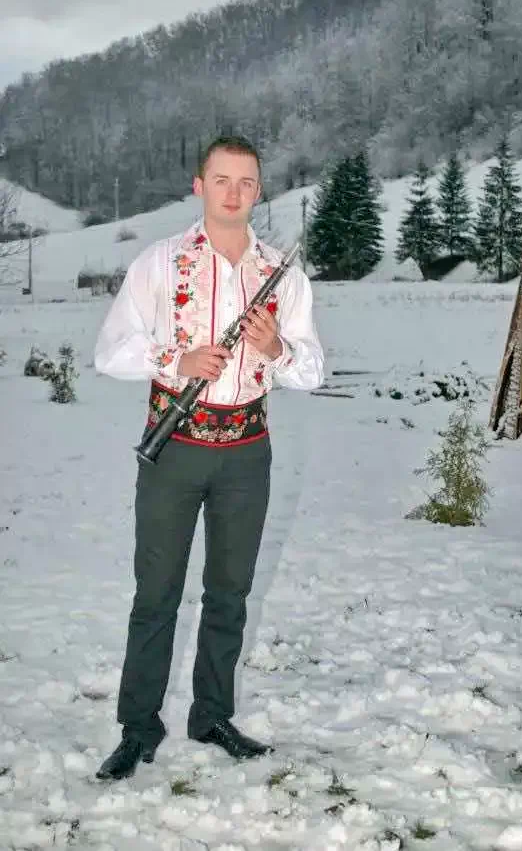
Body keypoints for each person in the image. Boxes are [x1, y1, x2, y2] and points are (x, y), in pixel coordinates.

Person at [94, 134, 324, 780]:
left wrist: (276, 348)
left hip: (247, 454)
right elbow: (110, 352)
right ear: (199, 186)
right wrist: (177, 359)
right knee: (156, 594)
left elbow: (312, 371)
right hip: (172, 451)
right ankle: (138, 727)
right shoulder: (160, 263)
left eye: (246, 182)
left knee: (230, 593)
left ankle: (212, 716)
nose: (233, 193)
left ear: (259, 191)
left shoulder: (283, 273)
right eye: (221, 180)